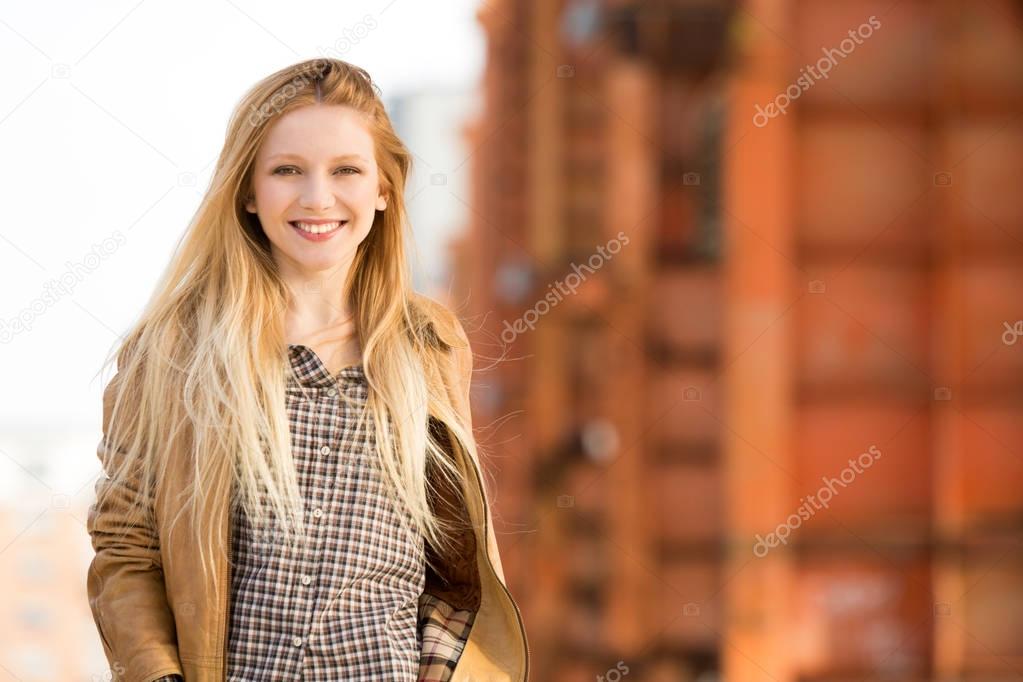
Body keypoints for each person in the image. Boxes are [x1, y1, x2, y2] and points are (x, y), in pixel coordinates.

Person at [85, 58, 528, 682]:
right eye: (287, 170)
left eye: (346, 170)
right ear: (248, 190)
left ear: (383, 189)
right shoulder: (174, 352)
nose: (318, 197)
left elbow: (451, 565)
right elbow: (124, 550)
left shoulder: (429, 344)